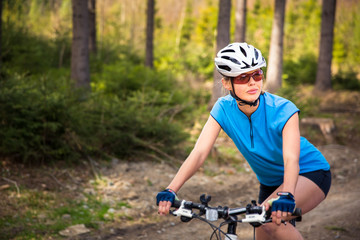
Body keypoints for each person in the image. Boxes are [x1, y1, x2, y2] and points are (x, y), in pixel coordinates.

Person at [156, 42, 331, 240]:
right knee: (260, 226)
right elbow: (199, 153)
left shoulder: (284, 109)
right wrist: (171, 190)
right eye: (243, 77)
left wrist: (287, 195)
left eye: (257, 74)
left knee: (270, 223)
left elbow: (291, 158)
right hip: (270, 183)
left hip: (309, 172)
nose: (252, 82)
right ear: (226, 83)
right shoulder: (223, 109)